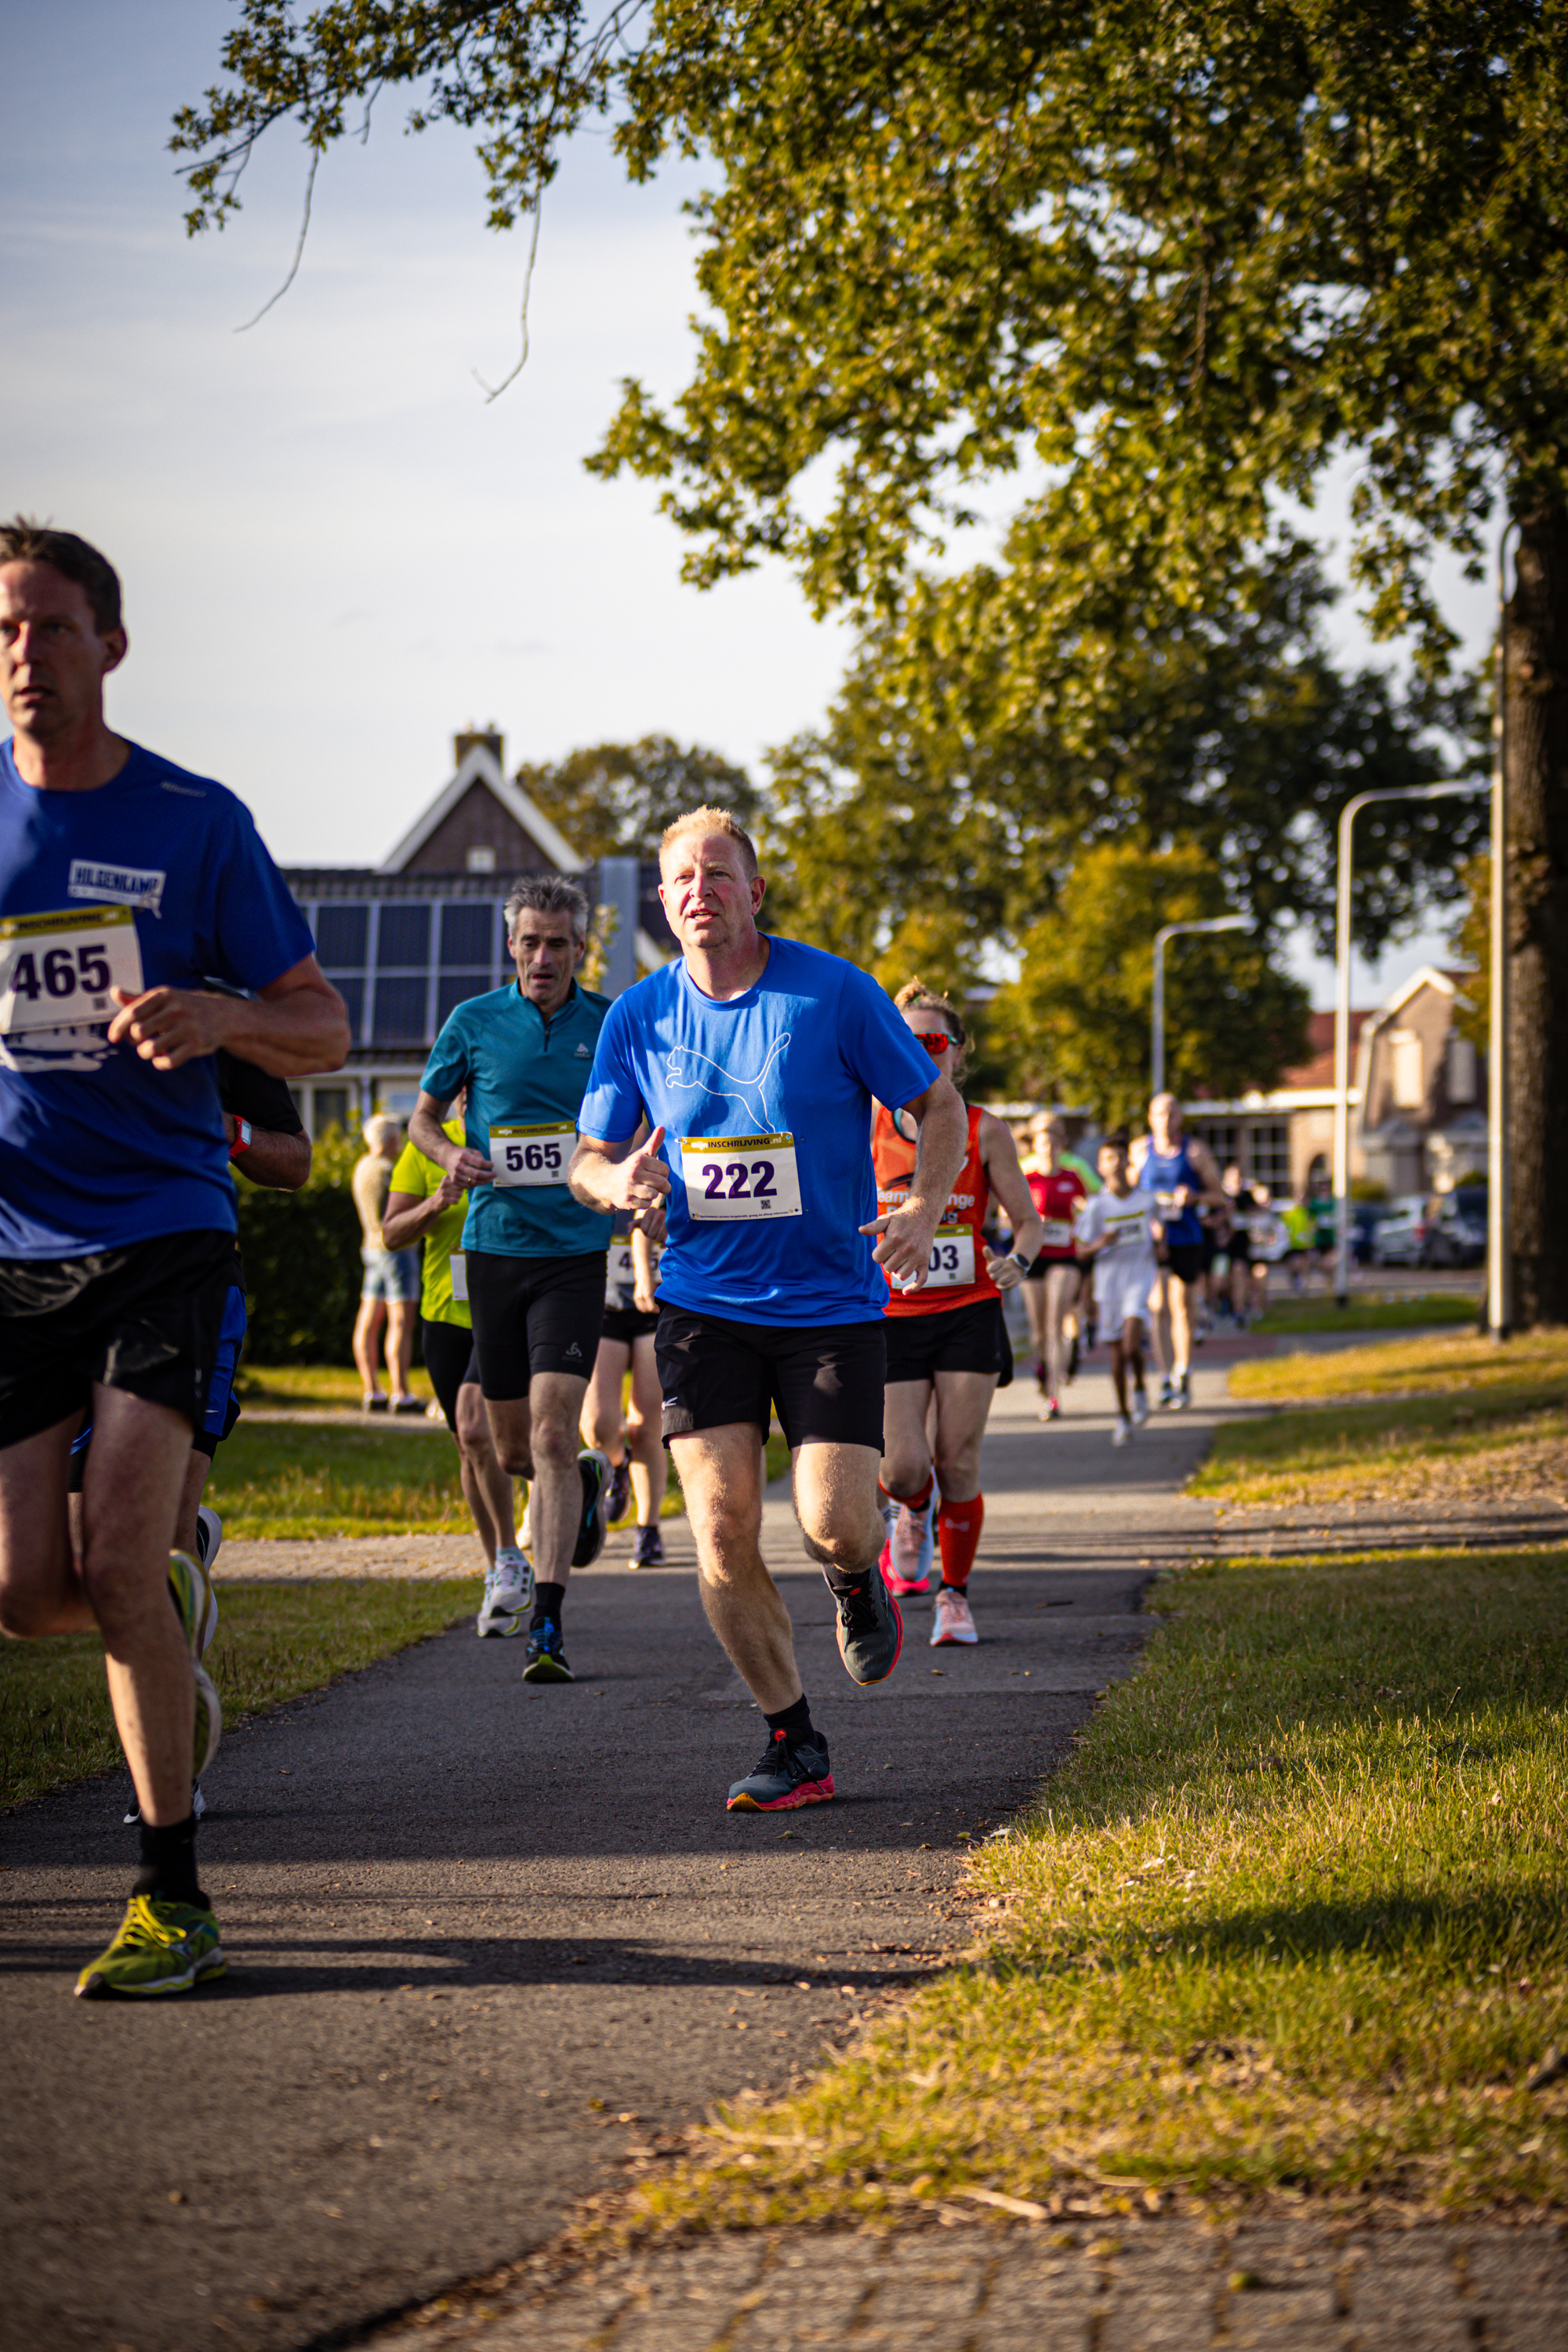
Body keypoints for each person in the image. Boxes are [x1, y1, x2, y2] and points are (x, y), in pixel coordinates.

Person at [0, 517, 349, 1998]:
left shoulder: (195, 823)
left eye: (51, 628)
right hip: (16, 1247)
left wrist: (219, 1020)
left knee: (119, 1559)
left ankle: (173, 1894)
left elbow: (322, 1027)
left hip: (161, 1235)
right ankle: (170, 1603)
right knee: (28, 1590)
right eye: (5, 632)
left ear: (111, 646)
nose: (26, 657)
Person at [569, 807, 967, 1812]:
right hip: (702, 1304)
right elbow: (585, 1160)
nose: (698, 889)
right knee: (718, 1527)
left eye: (717, 872)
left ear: (755, 891)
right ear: (661, 904)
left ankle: (854, 1576)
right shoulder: (637, 1017)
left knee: (833, 1522)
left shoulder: (832, 993)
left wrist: (921, 1205)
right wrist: (617, 1187)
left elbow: (939, 1108)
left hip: (830, 1302)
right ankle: (793, 1741)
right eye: (679, 878)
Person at [408, 875, 615, 1685]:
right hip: (493, 1250)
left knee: (555, 1431)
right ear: (511, 947)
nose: (541, 957)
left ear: (578, 948)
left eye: (556, 943)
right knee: (508, 1447)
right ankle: (589, 1481)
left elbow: (641, 1114)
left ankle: (550, 1624)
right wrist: (445, 1153)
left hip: (572, 1250)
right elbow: (423, 1119)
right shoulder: (472, 1022)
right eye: (528, 942)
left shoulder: (607, 1022)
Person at [871, 982, 1043, 1645]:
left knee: (958, 1458)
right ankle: (911, 1513)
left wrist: (1017, 1263)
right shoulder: (869, 1124)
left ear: (957, 1053)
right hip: (892, 1313)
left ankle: (954, 1595)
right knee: (904, 1468)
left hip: (969, 1307)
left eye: (934, 1041)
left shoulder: (984, 1130)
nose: (920, 1052)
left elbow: (1028, 1224)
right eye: (906, 1041)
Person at [383, 1091, 530, 1631]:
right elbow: (391, 1233)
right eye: (465, 1090)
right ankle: (500, 1571)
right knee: (469, 1446)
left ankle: (516, 1552)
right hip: (445, 1317)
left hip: (508, 1312)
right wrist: (437, 1201)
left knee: (485, 1431)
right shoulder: (423, 1151)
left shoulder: (517, 1142)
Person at [1131, 1092, 1225, 1411]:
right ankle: (1165, 1376)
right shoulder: (1140, 1151)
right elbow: (1127, 1192)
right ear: (1149, 1117)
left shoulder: (1195, 1152)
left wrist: (1195, 1198)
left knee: (1181, 1306)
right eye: (1159, 1113)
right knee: (1157, 1306)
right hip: (1153, 1238)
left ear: (1180, 1117)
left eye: (1171, 1113)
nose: (1166, 1120)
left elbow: (1220, 1197)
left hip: (1186, 1236)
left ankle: (1183, 1370)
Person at [583, 1215, 668, 1566]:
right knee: (599, 1427)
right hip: (605, 1306)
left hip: (657, 1305)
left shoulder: (667, 1161)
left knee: (645, 1427)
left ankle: (648, 1530)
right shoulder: (593, 1161)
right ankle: (619, 1467)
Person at [1075, 1131, 1159, 1445]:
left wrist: (1161, 1244)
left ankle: (1139, 1387)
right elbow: (1081, 1250)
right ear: (1100, 1165)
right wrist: (1101, 1243)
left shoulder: (1147, 1200)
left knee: (1131, 1343)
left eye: (1121, 1157)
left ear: (1129, 1162)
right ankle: (1123, 1414)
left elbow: (1159, 1231)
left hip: (1140, 1277)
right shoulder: (1097, 1207)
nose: (1116, 1163)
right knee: (1115, 1353)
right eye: (1109, 1158)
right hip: (1108, 1283)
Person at [1017, 1114, 1088, 1421]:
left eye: (1053, 1143)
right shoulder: (1026, 1179)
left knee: (1054, 1322)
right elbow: (1009, 1219)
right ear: (1035, 1147)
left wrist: (1081, 1220)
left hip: (1065, 1257)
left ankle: (1054, 1398)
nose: (1048, 1148)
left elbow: (1090, 1211)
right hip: (1033, 1257)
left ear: (1061, 1146)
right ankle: (1045, 1369)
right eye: (1042, 1143)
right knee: (1038, 1333)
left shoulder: (1072, 1178)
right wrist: (1033, 1223)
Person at [351, 1114, 422, 1413]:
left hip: (371, 1247)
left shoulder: (362, 1167)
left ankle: (372, 1390)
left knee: (368, 1320)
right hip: (397, 1251)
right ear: (393, 1141)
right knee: (401, 1323)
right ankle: (401, 1392)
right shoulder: (390, 1172)